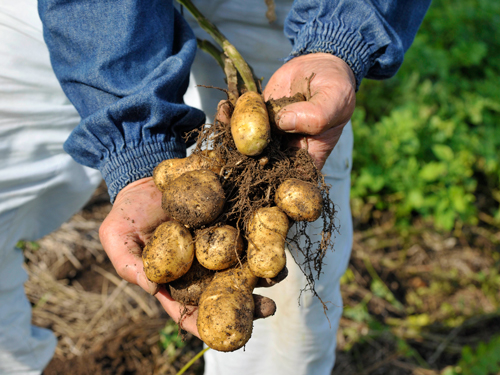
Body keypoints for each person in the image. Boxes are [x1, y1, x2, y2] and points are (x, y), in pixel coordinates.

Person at [0, 0, 431, 374]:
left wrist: (338, 40)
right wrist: (135, 147)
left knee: (288, 320)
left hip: (289, 12)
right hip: (89, 15)